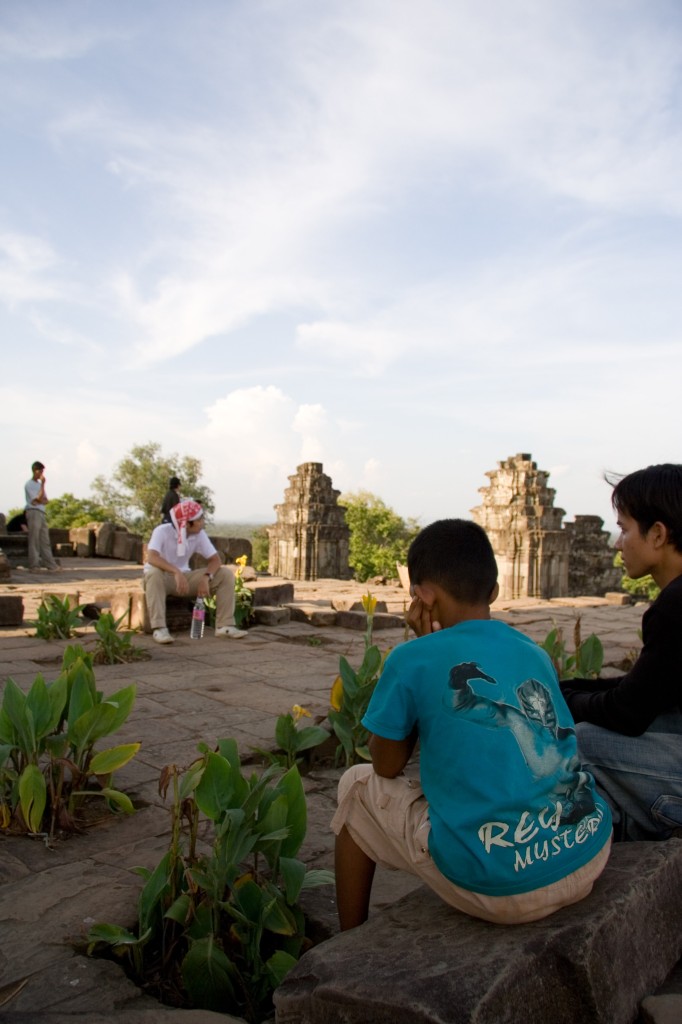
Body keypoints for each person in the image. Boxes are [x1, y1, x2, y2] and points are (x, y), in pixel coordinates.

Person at [332, 519, 612, 931]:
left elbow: (386, 766)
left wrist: (419, 650)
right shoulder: (532, 653)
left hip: (502, 884)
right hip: (587, 848)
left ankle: (347, 942)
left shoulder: (412, 660)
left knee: (356, 787)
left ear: (420, 595)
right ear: (495, 592)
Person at [560, 463, 682, 842]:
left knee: (580, 739)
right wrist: (568, 688)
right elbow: (649, 691)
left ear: (658, 534)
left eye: (625, 529)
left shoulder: (675, 607)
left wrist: (557, 700)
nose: (617, 543)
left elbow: (628, 712)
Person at [143, 498, 247, 644]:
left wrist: (206, 577)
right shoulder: (162, 531)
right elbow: (152, 558)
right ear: (188, 523)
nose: (203, 521)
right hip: (162, 578)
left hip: (185, 579)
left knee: (225, 574)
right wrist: (175, 572)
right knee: (153, 573)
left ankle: (225, 626)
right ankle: (160, 629)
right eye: (199, 519)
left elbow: (215, 560)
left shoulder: (199, 534)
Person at [24, 461, 59, 571]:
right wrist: (43, 487)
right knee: (34, 539)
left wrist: (40, 498)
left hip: (41, 512)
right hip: (33, 511)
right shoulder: (29, 484)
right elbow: (36, 500)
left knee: (45, 540)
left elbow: (45, 500)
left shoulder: (38, 485)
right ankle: (34, 565)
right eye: (41, 471)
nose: (42, 474)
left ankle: (50, 564)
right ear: (35, 471)